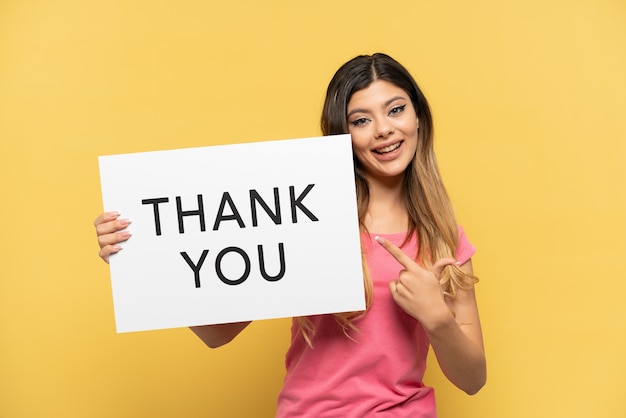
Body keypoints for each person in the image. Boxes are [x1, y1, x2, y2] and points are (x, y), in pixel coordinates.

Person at [94, 53, 486, 417]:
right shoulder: (308, 216)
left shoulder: (443, 237)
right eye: (361, 120)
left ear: (418, 117)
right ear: (343, 135)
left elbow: (472, 379)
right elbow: (217, 333)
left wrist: (437, 317)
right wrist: (144, 258)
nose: (384, 130)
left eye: (396, 110)